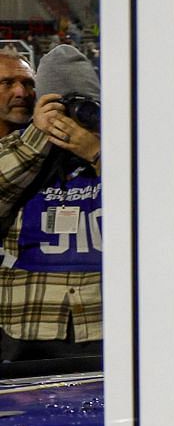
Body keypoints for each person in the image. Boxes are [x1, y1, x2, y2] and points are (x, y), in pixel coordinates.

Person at [0, 45, 105, 363]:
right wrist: (38, 134)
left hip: (107, 325)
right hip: (26, 331)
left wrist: (98, 152)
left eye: (84, 105)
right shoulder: (17, 148)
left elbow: (156, 212)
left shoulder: (127, 149)